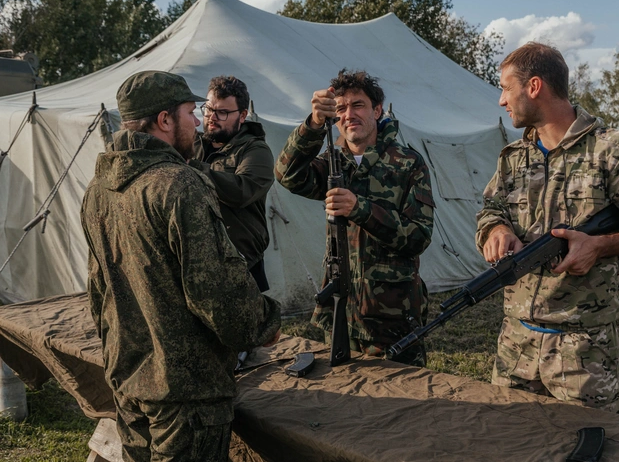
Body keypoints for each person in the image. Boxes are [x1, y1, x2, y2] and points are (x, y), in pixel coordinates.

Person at [81, 70, 281, 461]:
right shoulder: (177, 184)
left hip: (129, 377)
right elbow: (215, 292)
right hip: (185, 390)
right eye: (191, 112)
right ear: (165, 120)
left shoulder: (97, 190)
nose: (198, 121)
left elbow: (98, 292)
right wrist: (264, 325)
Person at [475, 42, 619, 413]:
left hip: (583, 352)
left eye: (506, 88)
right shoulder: (513, 157)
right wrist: (495, 230)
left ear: (534, 86)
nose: (502, 100)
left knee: (586, 447)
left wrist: (599, 246)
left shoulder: (612, 151)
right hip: (515, 345)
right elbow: (490, 209)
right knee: (506, 445)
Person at [275, 69, 435, 367]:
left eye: (358, 105)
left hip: (391, 317)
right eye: (341, 108)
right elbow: (287, 175)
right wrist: (312, 125)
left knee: (403, 403)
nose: (349, 114)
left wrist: (360, 209)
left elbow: (418, 237)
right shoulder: (332, 162)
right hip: (340, 310)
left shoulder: (408, 163)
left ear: (377, 110)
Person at [188, 76, 274, 292]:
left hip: (242, 261)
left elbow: (242, 191)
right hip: (199, 260)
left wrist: (195, 168)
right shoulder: (191, 145)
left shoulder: (255, 150)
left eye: (223, 113)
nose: (212, 117)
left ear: (242, 115)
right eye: (208, 109)